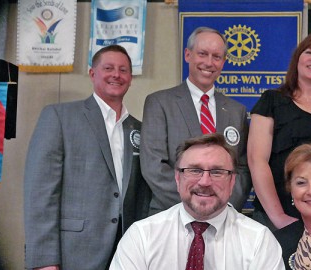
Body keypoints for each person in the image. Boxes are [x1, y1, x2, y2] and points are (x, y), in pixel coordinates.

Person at [24, 45, 150, 270]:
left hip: (126, 252)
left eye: (123, 70)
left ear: (131, 78)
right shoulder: (59, 117)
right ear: (93, 74)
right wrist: (44, 260)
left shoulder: (139, 129)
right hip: (73, 251)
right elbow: (40, 193)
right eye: (108, 68)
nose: (116, 75)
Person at [110, 133, 285, 270]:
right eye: (194, 170)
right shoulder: (142, 236)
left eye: (217, 172)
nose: (205, 181)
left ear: (232, 182)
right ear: (178, 179)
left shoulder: (259, 240)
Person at [140, 26, 251, 215]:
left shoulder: (236, 111)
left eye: (216, 57)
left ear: (223, 62)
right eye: (202, 54)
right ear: (187, 55)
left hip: (223, 218)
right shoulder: (159, 103)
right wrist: (195, 204)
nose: (209, 62)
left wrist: (221, 206)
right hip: (171, 215)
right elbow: (153, 166)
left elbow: (242, 169)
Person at [248, 33, 311, 229]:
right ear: (298, 60)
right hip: (275, 215)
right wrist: (278, 217)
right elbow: (257, 160)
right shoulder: (272, 100)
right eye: (309, 52)